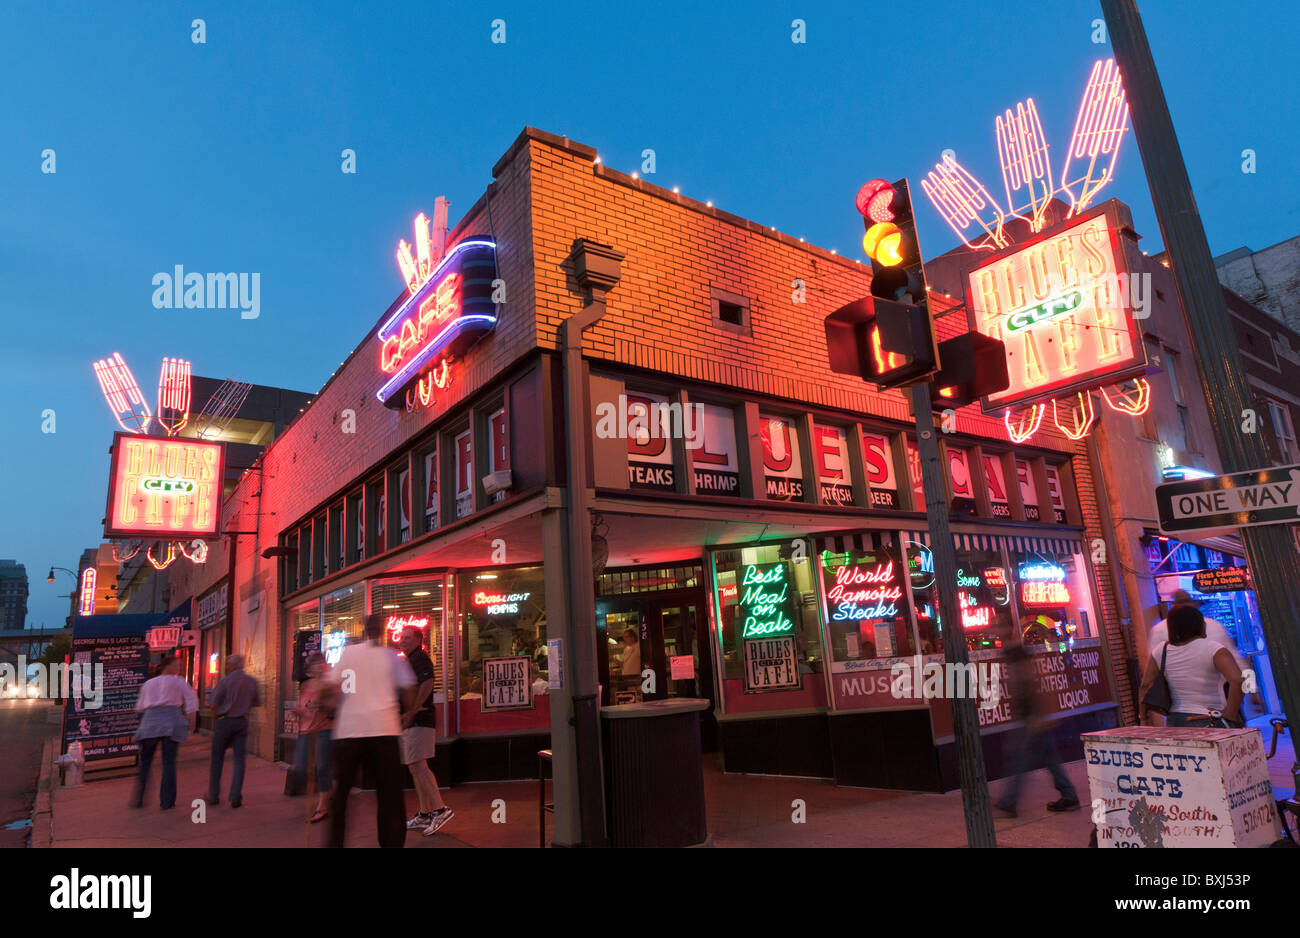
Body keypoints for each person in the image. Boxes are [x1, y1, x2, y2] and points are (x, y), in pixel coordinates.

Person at [328, 614, 416, 848]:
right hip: (383, 729)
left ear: (365, 629)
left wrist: (329, 704)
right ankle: (392, 843)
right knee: (390, 796)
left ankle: (334, 843)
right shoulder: (392, 657)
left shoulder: (350, 653)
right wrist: (408, 713)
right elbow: (409, 687)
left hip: (350, 731)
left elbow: (334, 686)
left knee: (342, 794)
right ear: (381, 631)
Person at [994, 619, 1080, 817]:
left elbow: (1031, 684)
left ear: (1007, 629)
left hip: (1032, 717)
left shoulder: (1016, 652)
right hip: (1031, 716)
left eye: (999, 626)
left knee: (1019, 759)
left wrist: (1039, 715)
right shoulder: (1011, 651)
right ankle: (1069, 794)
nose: (996, 630)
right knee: (1048, 757)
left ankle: (1009, 800)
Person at [1151, 589, 1262, 716]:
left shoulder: (1159, 632)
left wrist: (1143, 717)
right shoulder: (1213, 627)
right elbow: (1238, 666)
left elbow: (1151, 676)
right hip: (1218, 703)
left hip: (1178, 708)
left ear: (1172, 606)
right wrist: (1253, 692)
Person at [1139, 604, 1244, 728]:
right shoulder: (1214, 649)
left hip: (1175, 721)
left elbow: (1145, 686)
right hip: (1209, 719)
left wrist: (1143, 719)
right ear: (1199, 625)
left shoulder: (1161, 650)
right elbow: (1238, 680)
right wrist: (1230, 714)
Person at [397, 626, 453, 836]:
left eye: (408, 637)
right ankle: (424, 813)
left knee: (419, 765)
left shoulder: (419, 658)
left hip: (419, 720)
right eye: (401, 637)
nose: (402, 640)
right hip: (412, 722)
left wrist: (411, 711)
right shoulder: (410, 659)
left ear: (418, 640)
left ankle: (440, 809)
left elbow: (428, 681)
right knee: (414, 766)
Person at [131, 655, 198, 810]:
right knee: (168, 762)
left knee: (145, 762)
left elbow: (140, 707)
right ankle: (167, 802)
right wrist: (190, 721)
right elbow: (192, 700)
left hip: (150, 722)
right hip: (170, 722)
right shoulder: (178, 681)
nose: (179, 668)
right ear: (168, 666)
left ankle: (139, 799)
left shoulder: (148, 684)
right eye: (177, 665)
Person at [206, 653, 260, 808]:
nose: (226, 666)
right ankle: (235, 796)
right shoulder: (251, 682)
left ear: (234, 665)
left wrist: (215, 717)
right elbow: (256, 702)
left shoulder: (225, 681)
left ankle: (214, 795)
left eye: (228, 663)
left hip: (224, 721)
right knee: (239, 760)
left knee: (217, 759)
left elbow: (213, 704)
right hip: (241, 721)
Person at [291, 652, 335, 823]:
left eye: (320, 663)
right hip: (306, 731)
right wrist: (299, 711)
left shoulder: (330, 684)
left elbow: (337, 705)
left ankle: (322, 806)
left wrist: (323, 704)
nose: (318, 666)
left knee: (323, 767)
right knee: (300, 768)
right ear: (309, 668)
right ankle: (326, 792)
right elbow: (305, 709)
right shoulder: (306, 685)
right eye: (314, 664)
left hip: (325, 730)